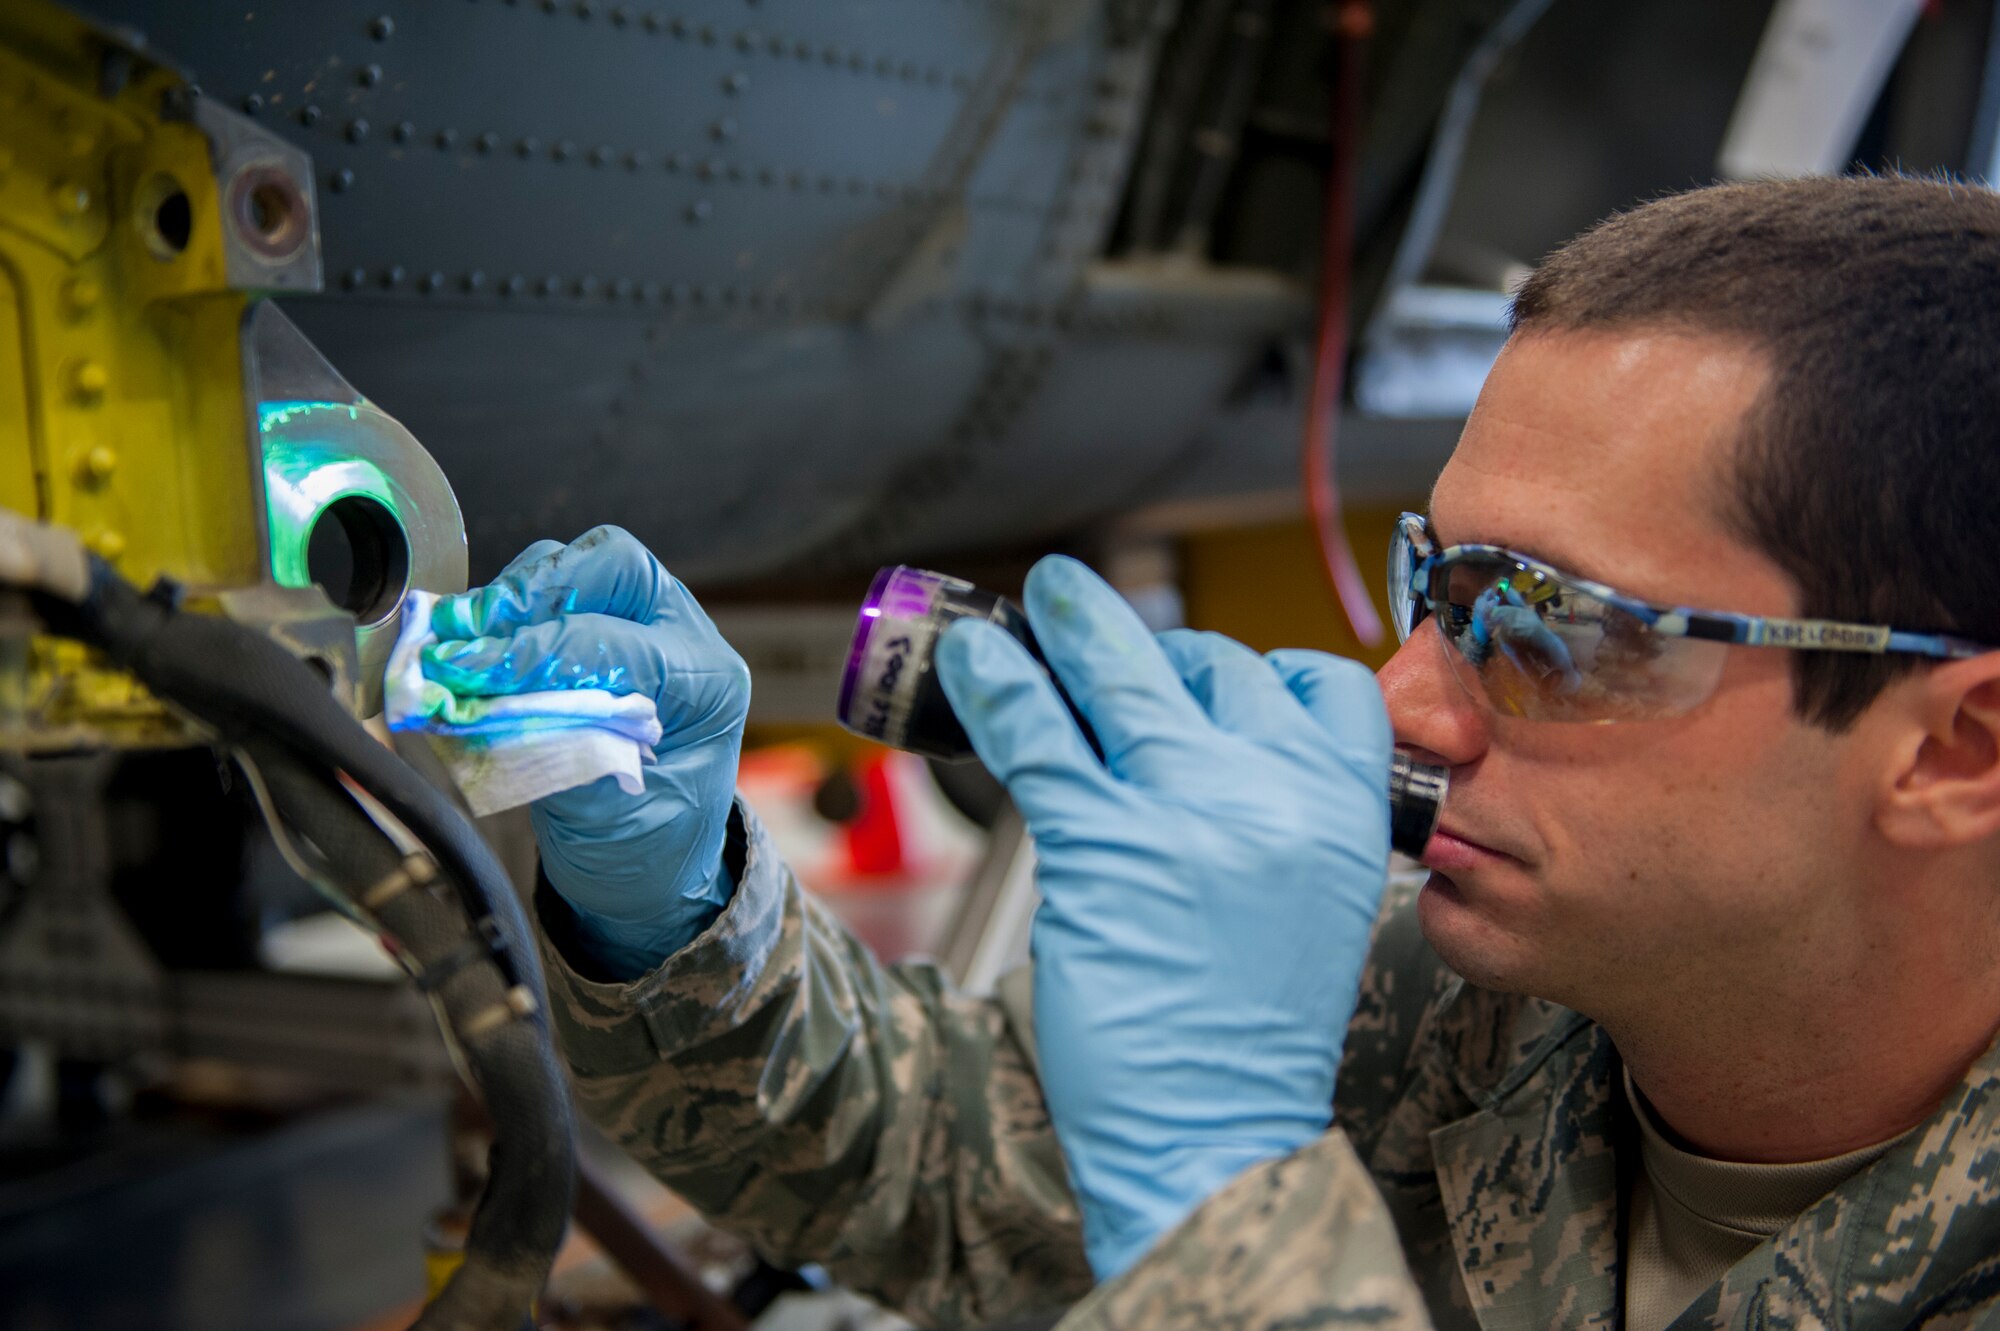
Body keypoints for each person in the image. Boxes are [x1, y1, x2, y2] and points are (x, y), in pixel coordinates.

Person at [418, 174, 2000, 1329]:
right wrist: (679, 908)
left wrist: (1224, 1214)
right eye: (1437, 588)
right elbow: (948, 1177)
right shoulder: (1478, 1000)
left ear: (1955, 749)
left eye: (1548, 626)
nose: (1406, 706)